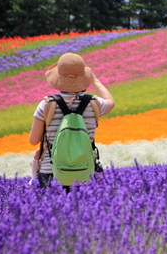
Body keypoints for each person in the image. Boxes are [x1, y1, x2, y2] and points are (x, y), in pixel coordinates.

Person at [29, 52, 115, 188]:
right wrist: (95, 81)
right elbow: (110, 102)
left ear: (58, 78)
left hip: (51, 171)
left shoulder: (46, 104)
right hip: (84, 170)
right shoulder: (94, 103)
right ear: (84, 77)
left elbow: (33, 140)